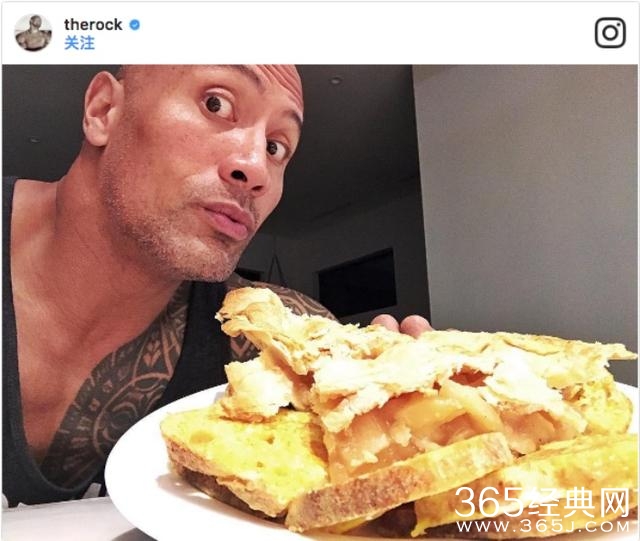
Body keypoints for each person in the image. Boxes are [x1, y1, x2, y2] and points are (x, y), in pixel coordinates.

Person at [3, 65, 431, 507]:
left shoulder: (281, 346)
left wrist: (418, 437)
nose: (257, 169)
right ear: (104, 109)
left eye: (276, 147)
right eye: (216, 104)